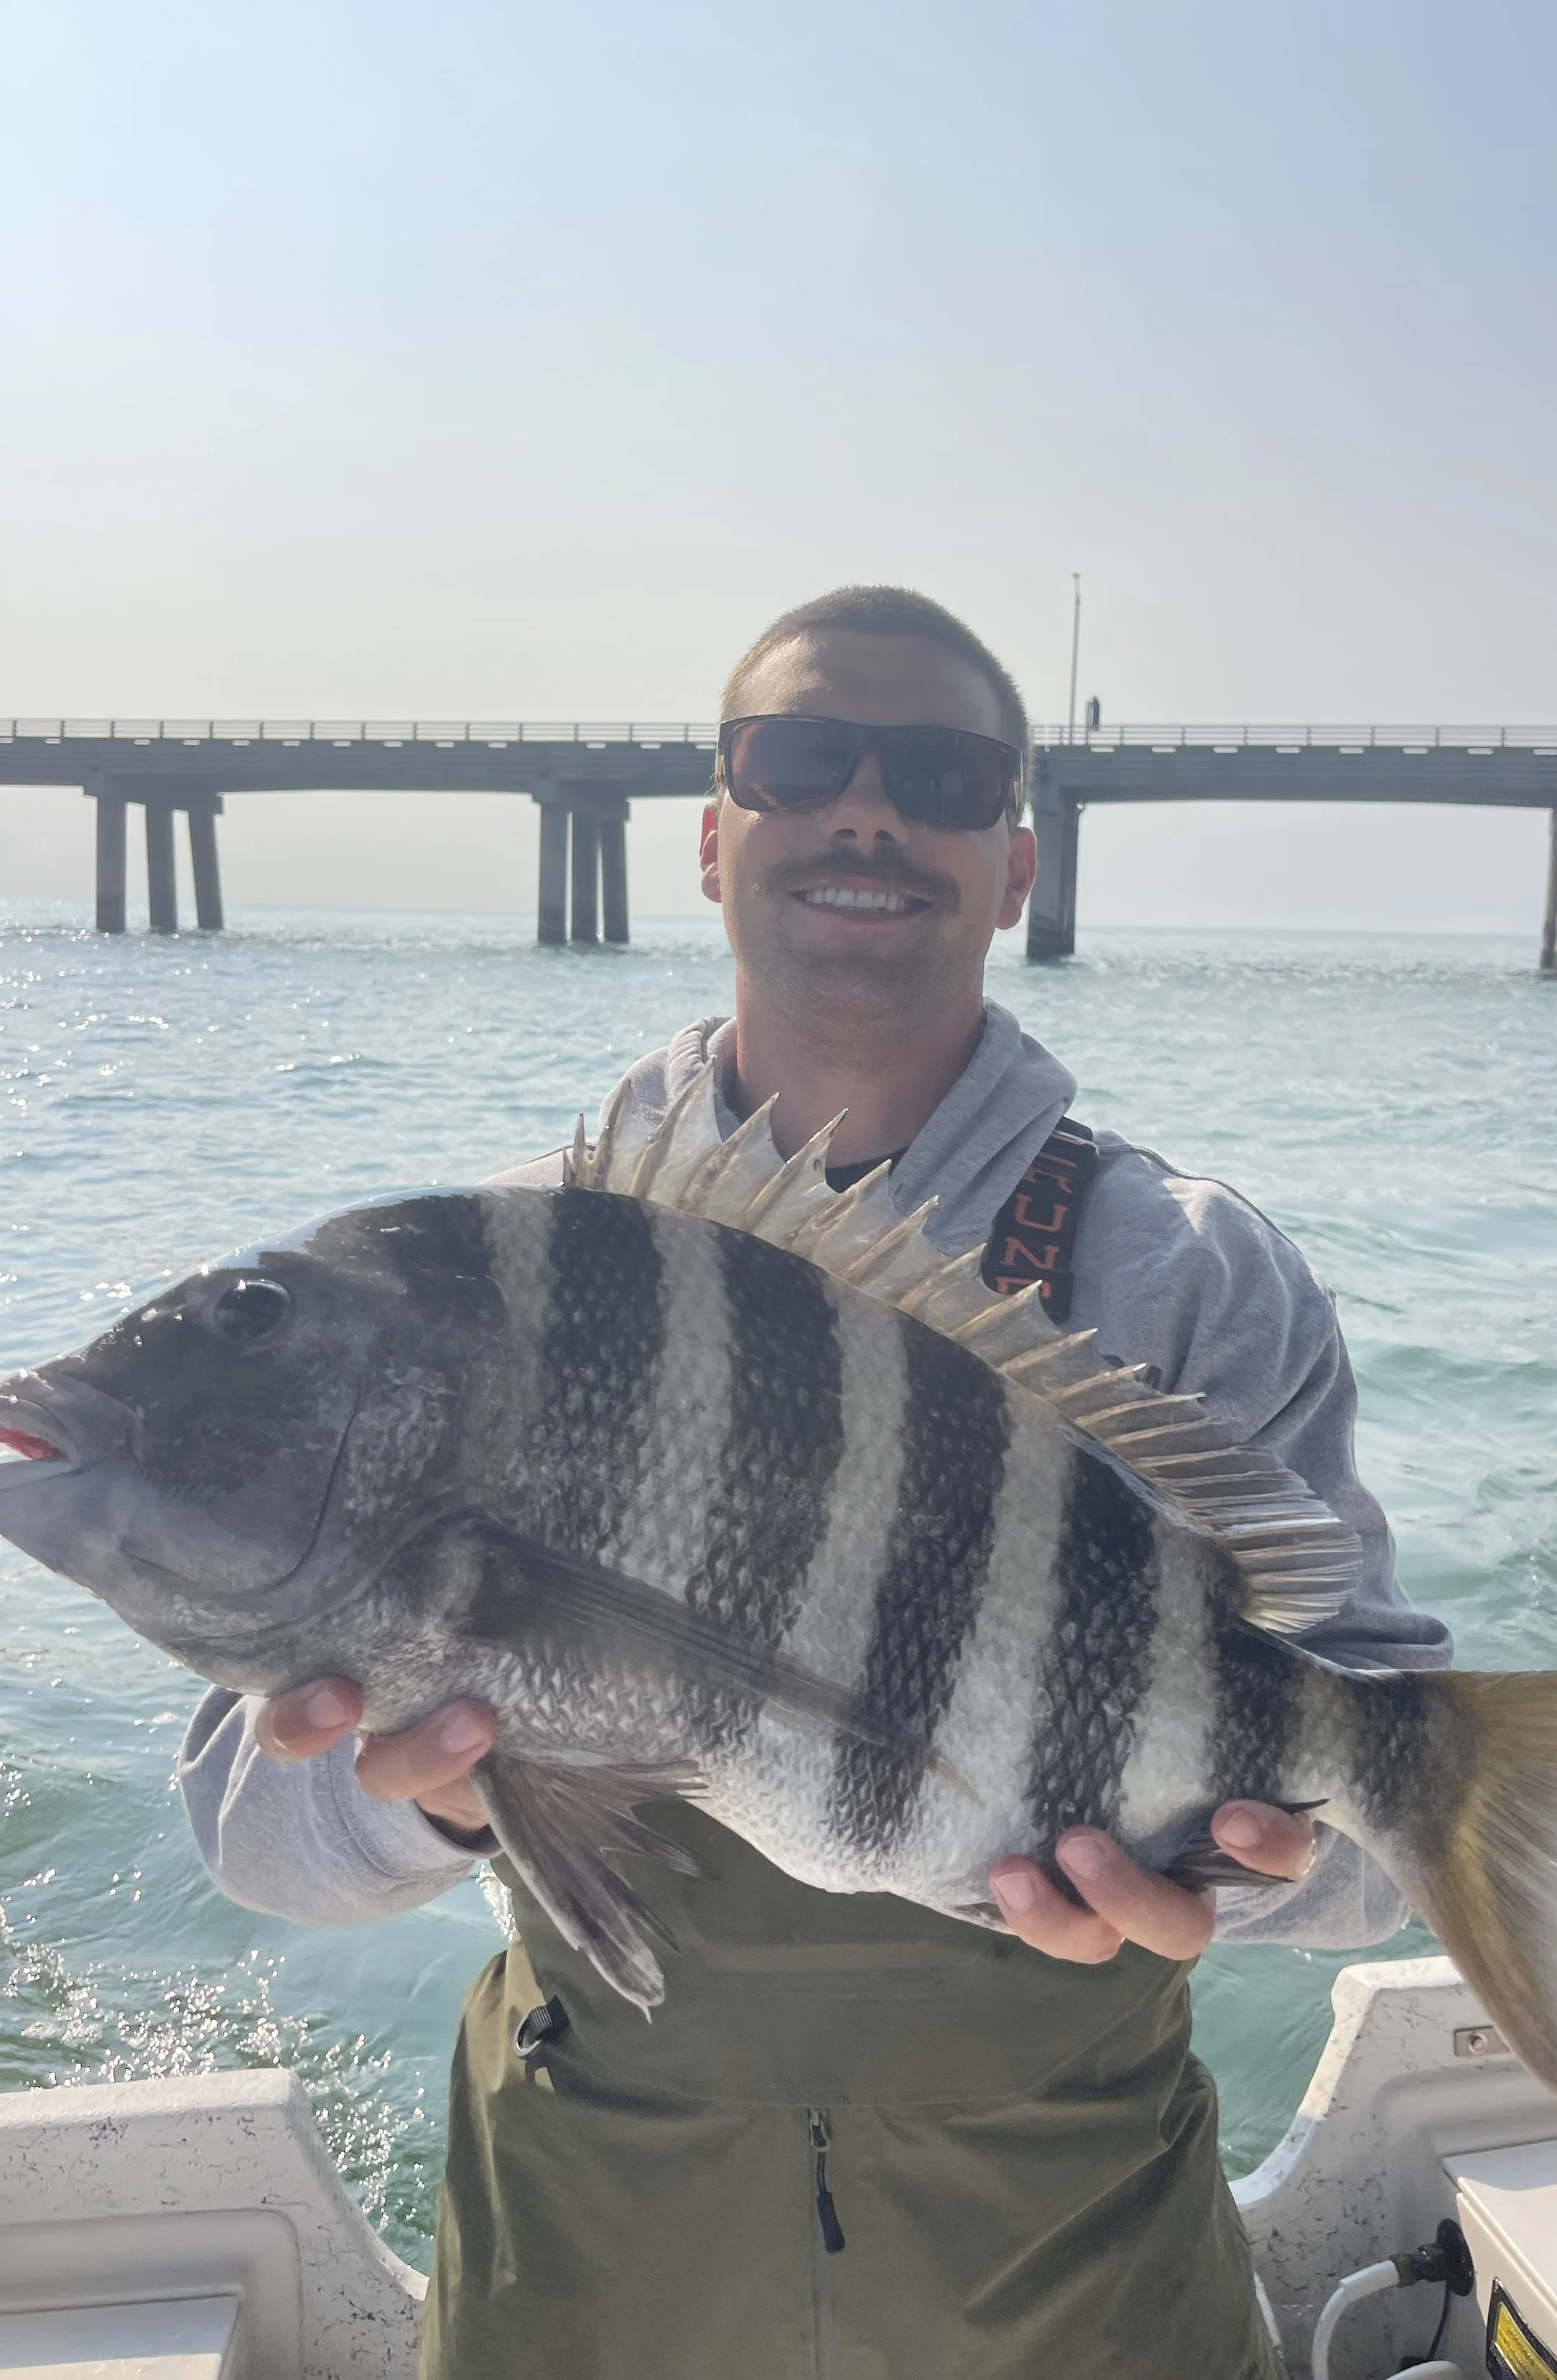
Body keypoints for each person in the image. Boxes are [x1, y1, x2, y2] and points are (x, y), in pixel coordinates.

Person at [180, 586, 1449, 2380]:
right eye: (800, 761)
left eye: (938, 775)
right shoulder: (513, 1275)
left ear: (1012, 864)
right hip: (595, 2256)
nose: (868, 811)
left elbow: (1375, 1828)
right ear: (713, 837)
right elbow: (255, 1844)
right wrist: (444, 1792)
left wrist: (1230, 1869)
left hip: (1071, 2266)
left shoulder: (1187, 1276)